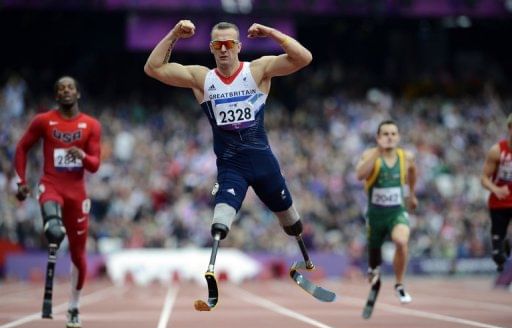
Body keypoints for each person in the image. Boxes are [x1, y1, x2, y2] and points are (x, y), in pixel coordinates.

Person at [144, 20, 314, 292]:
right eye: (217, 45)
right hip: (230, 166)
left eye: (229, 44)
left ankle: (305, 260)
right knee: (220, 220)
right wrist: (175, 34)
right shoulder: (202, 78)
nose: (223, 49)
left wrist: (271, 33)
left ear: (238, 46)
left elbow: (303, 58)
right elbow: (153, 68)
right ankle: (211, 270)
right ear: (211, 48)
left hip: (264, 165)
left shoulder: (257, 70)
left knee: (291, 220)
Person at [14, 76, 101, 328]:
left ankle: (73, 306)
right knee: (53, 228)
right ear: (56, 95)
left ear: (77, 93)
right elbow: (21, 148)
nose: (65, 91)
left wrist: (83, 155)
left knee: (78, 255)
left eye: (70, 87)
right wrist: (20, 182)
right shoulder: (43, 121)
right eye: (60, 88)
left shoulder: (91, 125)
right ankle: (54, 225)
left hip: (77, 194)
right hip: (51, 185)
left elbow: (95, 166)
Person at [355, 120, 418, 304]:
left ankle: (399, 284)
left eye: (393, 134)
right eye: (385, 134)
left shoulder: (406, 156)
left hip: (396, 212)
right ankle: (373, 268)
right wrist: (377, 151)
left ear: (398, 137)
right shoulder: (370, 154)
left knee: (401, 240)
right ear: (378, 137)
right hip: (375, 214)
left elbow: (413, 171)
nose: (389, 137)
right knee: (374, 256)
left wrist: (412, 194)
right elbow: (359, 175)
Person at [480, 113, 512, 273]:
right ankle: (503, 246)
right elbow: (484, 178)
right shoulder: (497, 151)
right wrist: (496, 189)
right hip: (499, 202)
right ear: (509, 129)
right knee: (498, 256)